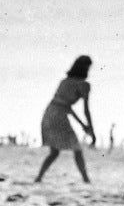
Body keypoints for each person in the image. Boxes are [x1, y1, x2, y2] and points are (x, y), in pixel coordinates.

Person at [35, 55, 95, 183]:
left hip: (49, 113)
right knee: (77, 149)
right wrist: (90, 128)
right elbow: (85, 110)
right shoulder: (84, 85)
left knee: (54, 152)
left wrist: (83, 126)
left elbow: (65, 106)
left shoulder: (64, 82)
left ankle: (39, 177)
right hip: (59, 116)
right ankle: (86, 179)